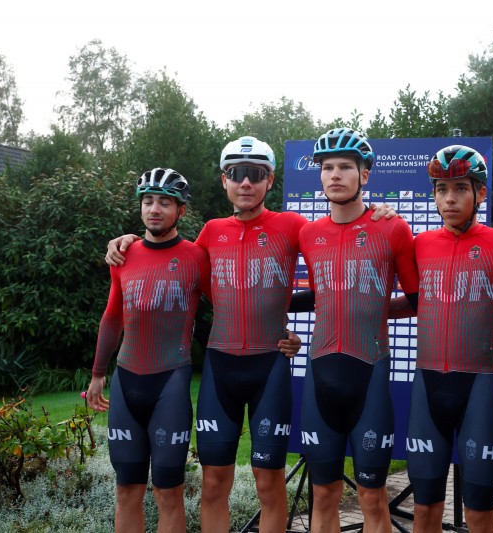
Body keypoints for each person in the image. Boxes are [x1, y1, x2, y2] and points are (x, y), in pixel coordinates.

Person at [105, 136, 395, 533]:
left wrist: (379, 210)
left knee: (268, 483)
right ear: (224, 181)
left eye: (254, 174)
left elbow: (334, 274)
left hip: (269, 367)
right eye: (237, 174)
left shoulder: (295, 227)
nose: (245, 183)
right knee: (213, 483)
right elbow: (169, 254)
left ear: (269, 180)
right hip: (220, 368)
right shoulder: (209, 232)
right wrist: (128, 241)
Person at [292, 127, 421, 533]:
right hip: (321, 375)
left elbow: (418, 300)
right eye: (327, 167)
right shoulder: (308, 234)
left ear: (364, 175)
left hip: (371, 373)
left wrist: (380, 309)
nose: (335, 174)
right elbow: (319, 296)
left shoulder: (393, 228)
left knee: (372, 497)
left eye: (346, 166)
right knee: (324, 494)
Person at [403, 145, 493, 533]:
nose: (449, 198)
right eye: (441, 189)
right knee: (424, 509)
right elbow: (416, 302)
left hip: (479, 386)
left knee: (479, 511)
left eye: (459, 188)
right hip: (428, 384)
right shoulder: (420, 245)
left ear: (480, 193)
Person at [86, 168, 211, 533]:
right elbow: (112, 318)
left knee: (168, 492)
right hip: (126, 383)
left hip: (169, 384)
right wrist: (97, 375)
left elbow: (230, 304)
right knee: (126, 490)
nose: (154, 209)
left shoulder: (196, 257)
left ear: (180, 211)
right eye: (148, 201)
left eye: (164, 202)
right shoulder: (124, 255)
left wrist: (278, 331)